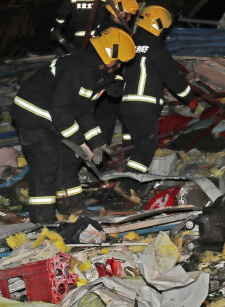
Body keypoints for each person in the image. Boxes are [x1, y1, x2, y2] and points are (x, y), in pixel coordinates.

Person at [10, 27, 136, 223]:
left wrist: (97, 142)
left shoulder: (95, 74)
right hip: (32, 114)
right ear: (111, 58)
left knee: (69, 161)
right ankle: (42, 218)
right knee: (46, 163)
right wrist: (79, 142)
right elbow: (62, 112)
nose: (119, 67)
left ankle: (73, 209)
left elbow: (84, 112)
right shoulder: (80, 71)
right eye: (119, 63)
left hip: (54, 116)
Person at [115, 5, 198, 203]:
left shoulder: (128, 45)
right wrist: (191, 99)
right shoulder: (158, 50)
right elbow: (175, 80)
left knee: (131, 145)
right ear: (157, 27)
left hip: (125, 106)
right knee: (146, 145)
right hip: (144, 107)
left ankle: (127, 190)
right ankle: (126, 185)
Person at [93, 0, 140, 146]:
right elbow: (116, 61)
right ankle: (100, 153)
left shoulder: (106, 25)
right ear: (120, 13)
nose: (129, 19)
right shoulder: (114, 32)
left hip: (106, 80)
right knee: (106, 119)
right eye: (128, 15)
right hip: (107, 82)